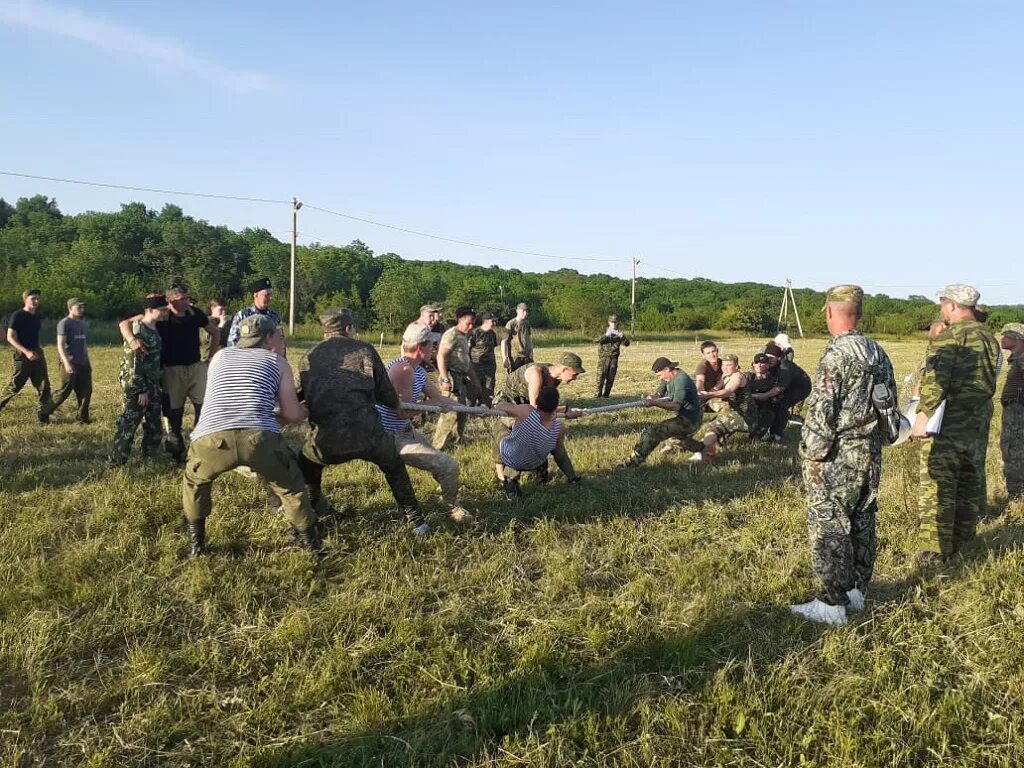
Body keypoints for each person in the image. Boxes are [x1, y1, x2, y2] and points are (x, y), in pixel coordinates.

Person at [789, 284, 898, 626]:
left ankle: (830, 604)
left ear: (829, 312)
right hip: (869, 453)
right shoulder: (878, 353)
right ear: (860, 313)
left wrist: (811, 455)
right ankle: (855, 592)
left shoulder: (836, 355)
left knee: (829, 525)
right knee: (862, 521)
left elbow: (822, 412)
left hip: (837, 456)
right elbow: (889, 408)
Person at [182, 314, 322, 557]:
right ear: (268, 339)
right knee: (291, 487)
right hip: (258, 440)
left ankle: (197, 544)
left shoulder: (220, 356)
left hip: (211, 437)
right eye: (278, 337)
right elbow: (292, 413)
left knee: (195, 483)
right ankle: (310, 544)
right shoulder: (276, 362)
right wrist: (308, 409)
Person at [296, 309, 429, 534]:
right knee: (394, 466)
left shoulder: (308, 357)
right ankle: (417, 521)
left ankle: (312, 518)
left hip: (327, 439)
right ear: (348, 329)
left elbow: (297, 393)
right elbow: (386, 395)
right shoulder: (365, 350)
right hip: (369, 434)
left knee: (306, 465)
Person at [911, 283, 999, 567]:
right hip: (977, 421)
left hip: (948, 422)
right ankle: (964, 540)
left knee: (938, 484)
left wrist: (922, 416)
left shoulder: (951, 336)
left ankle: (934, 549)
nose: (941, 310)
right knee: (969, 481)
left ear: (951, 305)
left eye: (942, 304)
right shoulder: (989, 338)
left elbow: (938, 379)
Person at [377, 325, 470, 522]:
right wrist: (433, 404)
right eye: (432, 345)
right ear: (421, 347)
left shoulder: (416, 368)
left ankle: (448, 496)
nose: (434, 349)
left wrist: (474, 410)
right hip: (391, 436)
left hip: (406, 430)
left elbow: (439, 398)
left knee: (440, 463)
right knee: (449, 466)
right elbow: (403, 411)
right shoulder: (403, 370)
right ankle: (451, 509)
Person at [118, 284, 219, 464]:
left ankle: (200, 445)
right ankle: (176, 448)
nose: (187, 301)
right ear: (171, 300)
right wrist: (133, 340)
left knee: (203, 408)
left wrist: (210, 358)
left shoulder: (195, 314)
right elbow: (124, 324)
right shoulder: (160, 314)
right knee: (173, 411)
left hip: (195, 367)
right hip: (171, 369)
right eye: (183, 299)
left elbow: (214, 331)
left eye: (187, 297)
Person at [108, 294, 169, 466]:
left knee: (154, 424)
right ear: (150, 310)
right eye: (162, 310)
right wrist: (140, 390)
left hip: (153, 384)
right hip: (138, 385)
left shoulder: (155, 328)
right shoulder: (138, 331)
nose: (165, 313)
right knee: (128, 424)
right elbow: (132, 364)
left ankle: (151, 456)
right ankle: (117, 461)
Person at [494, 386, 581, 499]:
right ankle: (573, 477)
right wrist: (566, 410)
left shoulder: (526, 411)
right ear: (555, 405)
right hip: (535, 463)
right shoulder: (559, 428)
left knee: (498, 424)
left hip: (511, 459)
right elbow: (559, 455)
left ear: (537, 402)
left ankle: (504, 479)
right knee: (558, 448)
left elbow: (501, 407)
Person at [620, 357, 703, 467]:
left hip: (691, 420)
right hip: (685, 416)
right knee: (676, 439)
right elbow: (659, 394)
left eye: (659, 375)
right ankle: (703, 449)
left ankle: (633, 462)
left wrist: (654, 403)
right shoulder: (668, 378)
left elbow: (675, 406)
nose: (659, 378)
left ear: (667, 369)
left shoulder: (681, 380)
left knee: (653, 433)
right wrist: (652, 397)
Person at [690, 354, 761, 460]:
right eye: (723, 365)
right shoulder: (725, 375)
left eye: (729, 365)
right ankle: (708, 448)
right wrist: (701, 395)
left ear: (736, 366)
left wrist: (707, 395)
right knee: (702, 405)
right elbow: (715, 389)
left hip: (747, 417)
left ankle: (701, 452)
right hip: (733, 409)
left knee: (712, 426)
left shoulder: (738, 376)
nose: (725, 368)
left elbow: (727, 392)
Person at [433, 306, 482, 451]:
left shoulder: (464, 337)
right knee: (450, 413)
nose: (471, 326)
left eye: (473, 323)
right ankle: (438, 447)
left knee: (462, 413)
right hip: (452, 377)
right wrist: (444, 378)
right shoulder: (451, 334)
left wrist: (475, 381)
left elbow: (466, 362)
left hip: (462, 378)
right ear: (460, 319)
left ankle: (456, 443)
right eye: (469, 322)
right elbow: (441, 356)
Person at [0, 288, 52, 423]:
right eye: (33, 298)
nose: (36, 301)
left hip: (36, 353)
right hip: (22, 355)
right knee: (15, 386)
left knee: (44, 386)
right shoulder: (18, 316)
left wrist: (37, 349)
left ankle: (43, 417)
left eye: (37, 299)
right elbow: (10, 337)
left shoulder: (36, 316)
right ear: (25, 300)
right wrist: (26, 352)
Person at [42, 297, 91, 423]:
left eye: (82, 307)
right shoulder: (64, 323)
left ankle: (82, 419)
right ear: (70, 308)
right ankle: (44, 412)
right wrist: (66, 363)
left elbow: (83, 343)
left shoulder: (81, 323)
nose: (81, 309)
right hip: (70, 363)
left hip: (83, 363)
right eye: (78, 307)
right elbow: (60, 344)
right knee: (65, 391)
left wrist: (87, 360)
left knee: (86, 391)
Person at [494, 354, 585, 408]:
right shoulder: (536, 373)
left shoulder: (556, 379)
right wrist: (565, 410)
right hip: (506, 404)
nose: (575, 378)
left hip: (523, 404)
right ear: (564, 369)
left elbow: (545, 407)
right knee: (516, 431)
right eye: (574, 374)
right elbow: (535, 408)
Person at [763, 341, 812, 440]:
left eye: (772, 358)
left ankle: (776, 435)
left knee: (781, 403)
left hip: (801, 386)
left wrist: (763, 396)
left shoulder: (785, 366)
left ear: (779, 358)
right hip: (786, 384)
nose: (768, 360)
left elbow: (779, 389)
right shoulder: (765, 363)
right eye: (767, 357)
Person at [998, 323, 1024, 501]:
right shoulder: (1016, 359)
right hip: (1013, 410)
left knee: (1013, 452)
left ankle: (1016, 497)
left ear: (1018, 339)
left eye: (1006, 334)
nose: (1002, 338)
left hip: (1017, 412)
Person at [227, 277, 280, 347]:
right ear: (256, 295)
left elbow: (278, 340)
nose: (270, 298)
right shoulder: (243, 315)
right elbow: (232, 341)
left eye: (271, 295)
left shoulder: (274, 316)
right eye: (267, 295)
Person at [594, 315, 630, 398]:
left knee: (611, 378)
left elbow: (627, 344)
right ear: (609, 322)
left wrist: (623, 337)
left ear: (617, 323)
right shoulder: (604, 331)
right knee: (600, 377)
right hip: (604, 358)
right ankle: (597, 395)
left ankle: (606, 395)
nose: (613, 324)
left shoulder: (619, 333)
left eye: (615, 322)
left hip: (614, 358)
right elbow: (596, 340)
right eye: (612, 322)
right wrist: (606, 335)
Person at [468, 313, 499, 406]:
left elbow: (492, 348)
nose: (494, 323)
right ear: (485, 321)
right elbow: (467, 349)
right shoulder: (475, 333)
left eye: (495, 321)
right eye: (492, 321)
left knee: (488, 390)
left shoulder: (492, 334)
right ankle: (470, 412)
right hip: (476, 366)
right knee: (473, 390)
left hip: (489, 368)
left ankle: (485, 412)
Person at [501, 302, 533, 372]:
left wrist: (531, 353)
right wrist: (504, 358)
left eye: (526, 311)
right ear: (517, 311)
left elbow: (529, 339)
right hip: (514, 357)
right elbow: (503, 341)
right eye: (523, 311)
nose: (525, 313)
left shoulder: (527, 324)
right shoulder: (510, 324)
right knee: (514, 379)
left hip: (526, 356)